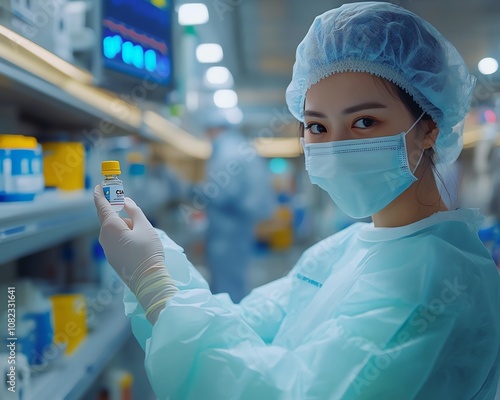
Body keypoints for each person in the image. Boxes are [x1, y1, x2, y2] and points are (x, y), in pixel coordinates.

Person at [93, 2, 500, 399]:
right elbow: (247, 327)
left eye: (364, 121)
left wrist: (155, 285)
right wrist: (159, 264)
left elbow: (285, 391)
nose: (336, 147)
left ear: (427, 129)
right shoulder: (346, 249)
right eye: (317, 126)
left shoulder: (439, 282)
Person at [196, 115, 275, 302]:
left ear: (213, 129)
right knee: (236, 278)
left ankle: (227, 325)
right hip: (238, 227)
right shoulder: (238, 146)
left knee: (227, 286)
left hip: (227, 230)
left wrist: (195, 191)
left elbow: (223, 193)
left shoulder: (226, 152)